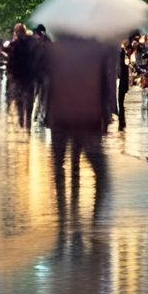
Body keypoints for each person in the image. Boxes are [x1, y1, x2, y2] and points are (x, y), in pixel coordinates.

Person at [44, 32, 117, 214]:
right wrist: (106, 114)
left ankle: (63, 213)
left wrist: (47, 113)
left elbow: (48, 84)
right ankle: (96, 214)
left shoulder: (54, 50)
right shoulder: (96, 50)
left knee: (59, 163)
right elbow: (105, 85)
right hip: (88, 114)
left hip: (61, 113)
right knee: (98, 167)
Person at [7, 23, 41, 130]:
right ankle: (28, 129)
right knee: (29, 104)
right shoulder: (33, 43)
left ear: (16, 32)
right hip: (30, 78)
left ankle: (21, 125)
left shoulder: (14, 44)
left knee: (19, 104)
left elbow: (10, 62)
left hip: (17, 78)